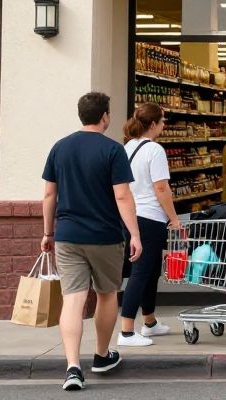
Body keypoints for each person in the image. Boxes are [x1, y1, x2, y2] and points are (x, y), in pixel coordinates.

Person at [40, 92, 141, 392]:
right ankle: (101, 355)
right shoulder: (112, 150)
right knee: (107, 294)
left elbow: (49, 195)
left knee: (73, 299)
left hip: (68, 235)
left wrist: (48, 233)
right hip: (105, 236)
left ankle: (73, 366)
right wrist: (134, 233)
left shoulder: (60, 148)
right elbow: (122, 195)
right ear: (105, 116)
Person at [118, 102, 182, 347]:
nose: (165, 125)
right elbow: (161, 187)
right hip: (150, 217)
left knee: (152, 270)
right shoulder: (155, 150)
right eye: (163, 120)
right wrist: (174, 218)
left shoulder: (128, 148)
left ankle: (150, 322)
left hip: (132, 215)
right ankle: (125, 331)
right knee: (142, 272)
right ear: (153, 124)